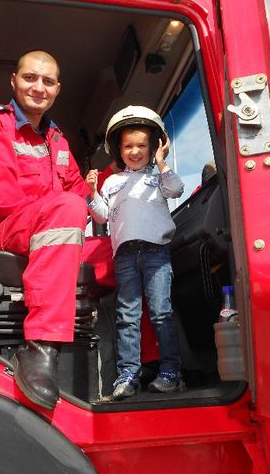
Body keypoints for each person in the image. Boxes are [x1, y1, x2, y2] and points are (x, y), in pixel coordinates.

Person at [0, 50, 94, 410]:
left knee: (125, 251)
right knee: (66, 209)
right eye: (30, 78)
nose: (38, 87)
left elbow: (79, 191)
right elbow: (2, 198)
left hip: (48, 228)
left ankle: (137, 366)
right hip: (5, 231)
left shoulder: (56, 139)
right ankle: (40, 344)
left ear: (58, 89)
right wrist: (62, 208)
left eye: (48, 81)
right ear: (14, 81)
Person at [86, 105, 185, 399]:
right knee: (127, 316)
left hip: (157, 253)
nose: (135, 151)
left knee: (160, 313)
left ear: (154, 146)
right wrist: (92, 192)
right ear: (119, 149)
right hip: (125, 256)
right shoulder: (113, 182)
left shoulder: (159, 178)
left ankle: (171, 372)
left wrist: (161, 161)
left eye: (142, 145)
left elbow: (177, 189)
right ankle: (128, 374)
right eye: (128, 145)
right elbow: (102, 215)